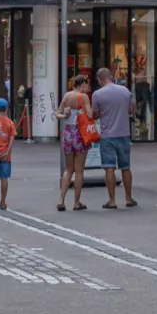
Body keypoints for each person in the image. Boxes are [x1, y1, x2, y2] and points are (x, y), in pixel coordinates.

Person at [92, 67, 136, 209]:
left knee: (109, 168)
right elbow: (131, 110)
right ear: (111, 76)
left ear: (100, 80)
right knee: (126, 167)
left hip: (107, 135)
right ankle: (129, 198)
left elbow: (95, 115)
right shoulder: (125, 91)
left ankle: (112, 201)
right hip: (123, 133)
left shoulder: (97, 94)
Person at [57, 75, 93, 212]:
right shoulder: (83, 97)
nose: (87, 88)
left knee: (68, 169)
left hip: (67, 133)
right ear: (82, 84)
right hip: (79, 134)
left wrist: (66, 116)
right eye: (86, 85)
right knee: (79, 171)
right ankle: (76, 202)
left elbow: (57, 114)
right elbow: (89, 114)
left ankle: (61, 200)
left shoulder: (66, 96)